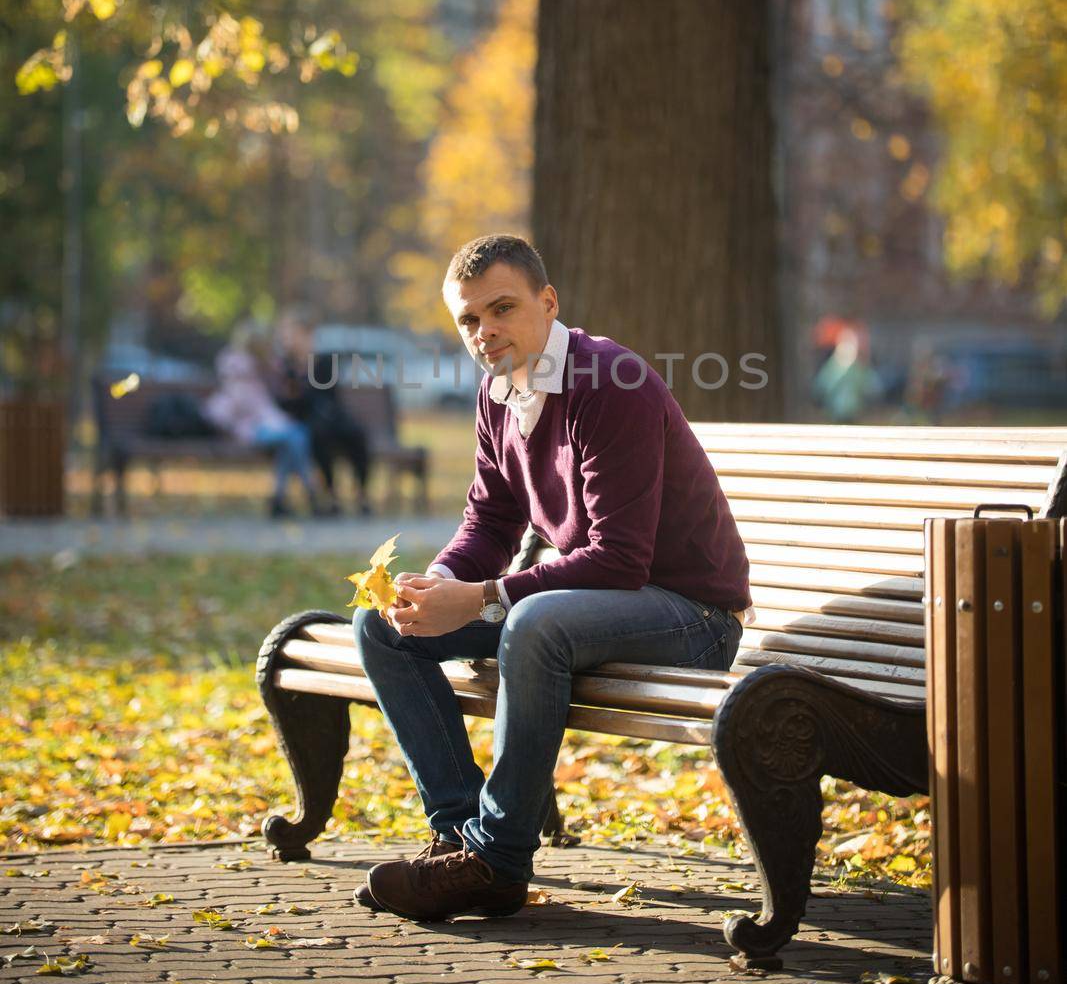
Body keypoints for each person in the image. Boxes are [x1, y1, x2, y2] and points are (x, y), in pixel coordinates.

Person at [353, 233, 750, 923]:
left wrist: (478, 598)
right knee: (383, 627)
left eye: (501, 308)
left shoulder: (608, 382)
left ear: (547, 302)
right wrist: (436, 587)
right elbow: (489, 522)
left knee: (531, 622)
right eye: (468, 320)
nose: (485, 331)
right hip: (594, 608)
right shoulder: (498, 394)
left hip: (691, 615)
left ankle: (497, 860)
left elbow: (621, 557)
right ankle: (456, 838)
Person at [204, 321, 322, 518]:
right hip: (249, 429)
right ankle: (310, 492)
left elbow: (272, 403)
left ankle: (280, 497)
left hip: (265, 426)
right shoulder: (239, 371)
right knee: (293, 437)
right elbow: (250, 409)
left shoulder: (260, 370)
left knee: (293, 439)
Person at [272, 310, 373, 516]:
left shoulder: (324, 362)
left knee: (356, 433)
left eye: (293, 333)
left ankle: (362, 494)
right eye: (286, 333)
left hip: (330, 417)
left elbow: (328, 396)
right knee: (320, 437)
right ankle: (331, 495)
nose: (288, 338)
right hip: (305, 422)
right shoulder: (284, 365)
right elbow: (287, 401)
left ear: (307, 334)